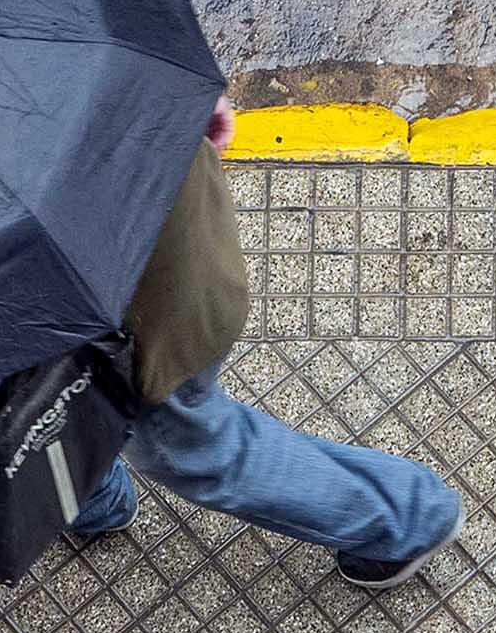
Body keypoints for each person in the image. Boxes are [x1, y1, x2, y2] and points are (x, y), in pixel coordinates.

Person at [66, 104, 462, 585]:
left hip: (136, 320)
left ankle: (405, 517)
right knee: (60, 407)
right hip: (173, 224)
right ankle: (88, 499)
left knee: (199, 450)